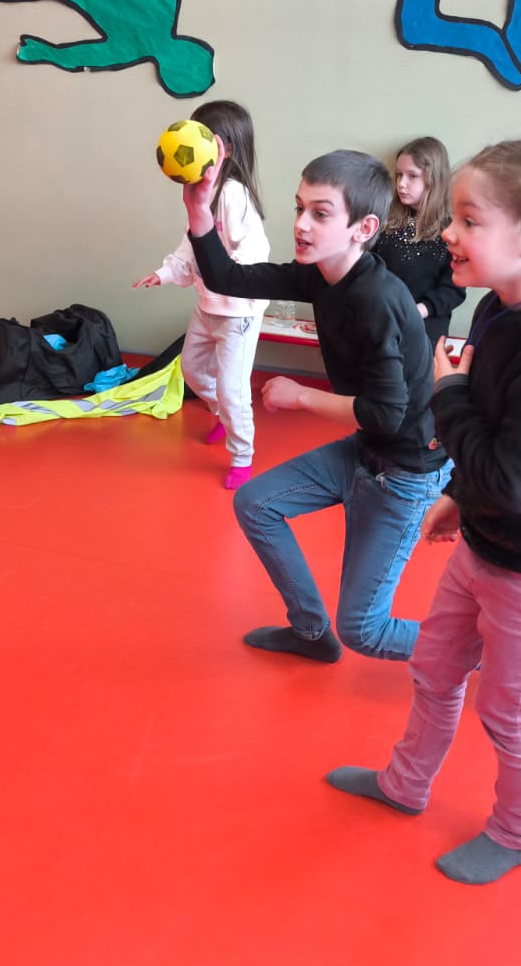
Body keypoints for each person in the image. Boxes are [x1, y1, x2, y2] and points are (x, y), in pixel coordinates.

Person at [326, 139, 521, 885]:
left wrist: (447, 395)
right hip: (492, 537)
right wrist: (462, 496)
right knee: (433, 667)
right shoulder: (500, 308)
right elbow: (498, 436)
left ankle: (517, 832)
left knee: (506, 708)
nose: (447, 233)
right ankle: (404, 784)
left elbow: (515, 476)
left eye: (468, 220)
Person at [181, 148, 449, 662]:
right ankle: (309, 631)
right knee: (255, 504)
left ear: (363, 228)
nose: (301, 224)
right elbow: (227, 278)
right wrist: (198, 213)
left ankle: (498, 656)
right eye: (299, 208)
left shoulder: (377, 299)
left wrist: (300, 396)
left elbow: (386, 413)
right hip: (369, 451)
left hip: (407, 471)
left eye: (320, 214)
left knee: (365, 632)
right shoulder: (321, 273)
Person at [134, 101, 270, 489]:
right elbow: (190, 246)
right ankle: (224, 414)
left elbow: (255, 249)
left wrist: (232, 275)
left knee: (232, 388)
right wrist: (164, 273)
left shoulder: (234, 194)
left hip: (238, 312)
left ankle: (241, 455)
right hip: (207, 306)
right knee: (192, 371)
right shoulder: (203, 195)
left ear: (223, 149)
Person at [375, 136, 461, 346]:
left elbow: (453, 289)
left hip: (423, 330)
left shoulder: (451, 231)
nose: (401, 184)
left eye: (412, 176)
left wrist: (418, 310)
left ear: (433, 179)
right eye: (399, 175)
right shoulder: (386, 222)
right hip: (381, 321)